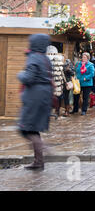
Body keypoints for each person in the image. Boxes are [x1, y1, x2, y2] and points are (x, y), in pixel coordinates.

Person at [17, 34, 53, 170]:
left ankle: (43, 147)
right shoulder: (45, 58)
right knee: (33, 128)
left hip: (34, 96)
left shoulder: (33, 57)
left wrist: (20, 74)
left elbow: (29, 78)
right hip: (45, 95)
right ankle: (39, 162)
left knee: (25, 128)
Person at [46, 46, 65, 117]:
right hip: (53, 82)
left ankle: (56, 111)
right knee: (53, 97)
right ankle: (54, 111)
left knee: (56, 97)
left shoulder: (57, 60)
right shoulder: (48, 60)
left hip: (56, 82)